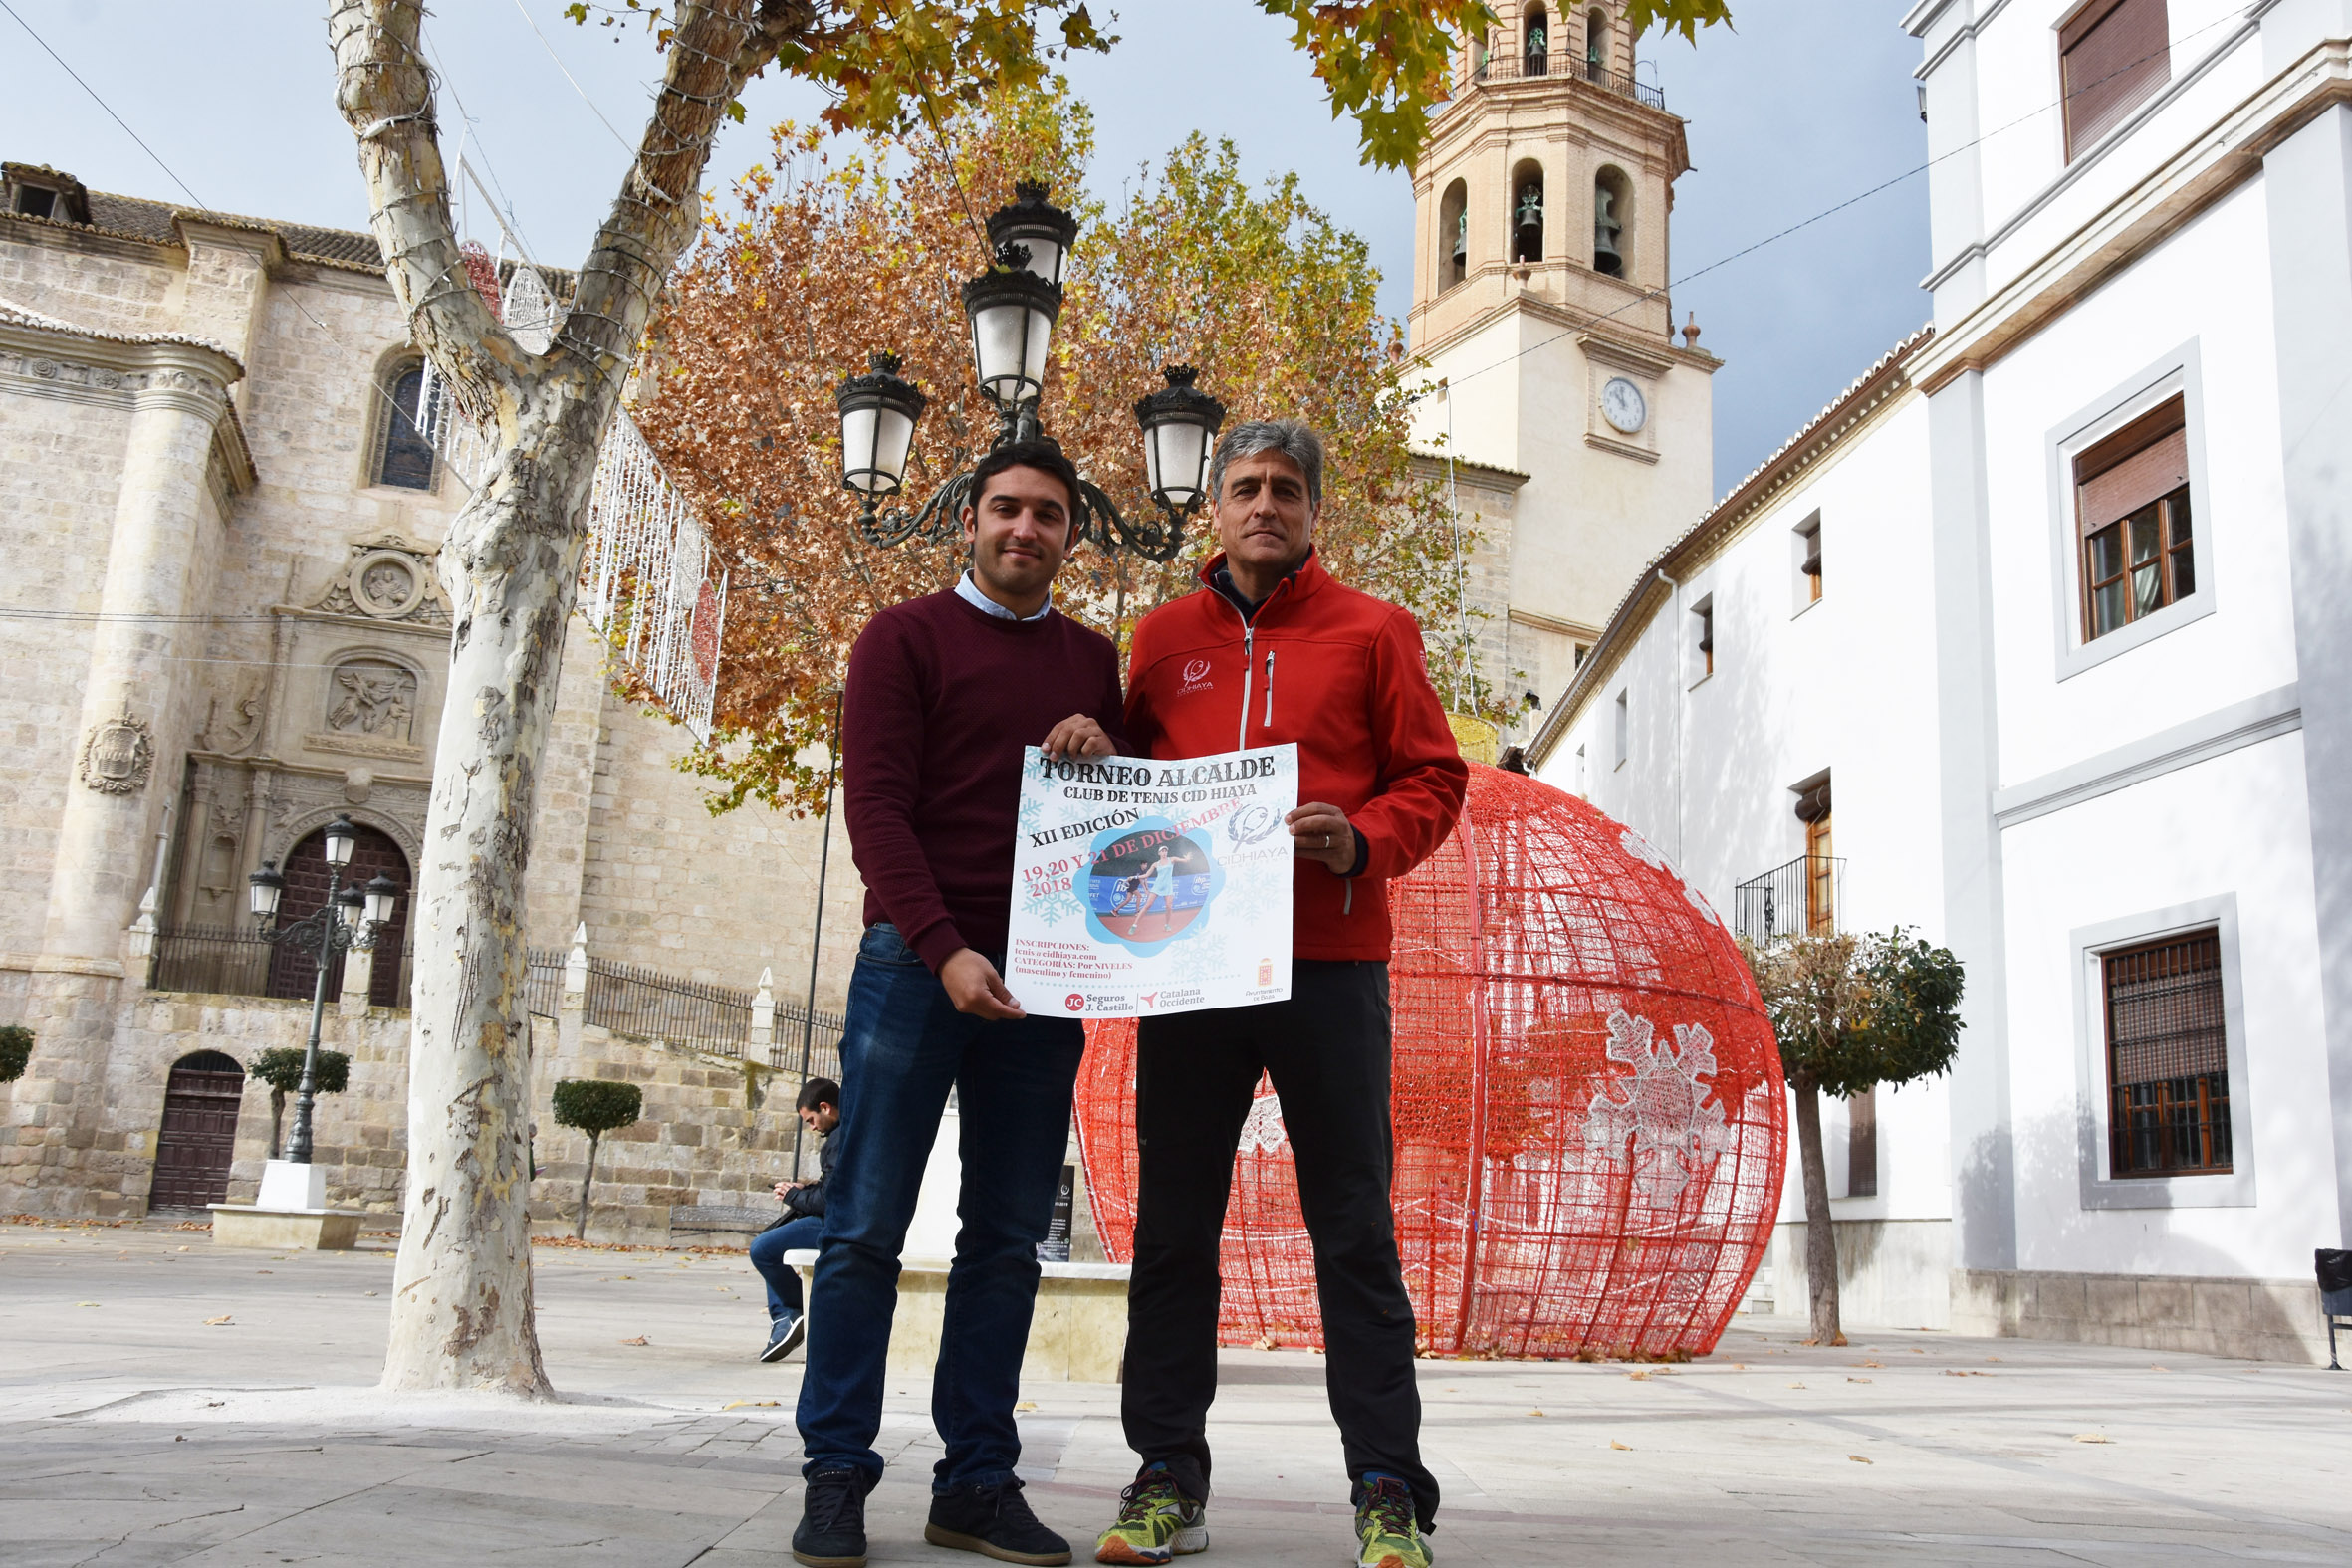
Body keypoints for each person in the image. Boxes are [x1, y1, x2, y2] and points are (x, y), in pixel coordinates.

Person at [1093, 420, 1467, 1568]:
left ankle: (1388, 1492)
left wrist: (1362, 841)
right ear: (1214, 508)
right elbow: (1128, 791)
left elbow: (1434, 777)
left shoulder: (1376, 630)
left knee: (1352, 1230)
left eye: (1286, 489)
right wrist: (1086, 753)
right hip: (1192, 973)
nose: (1265, 504)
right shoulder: (1160, 639)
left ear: (1313, 511)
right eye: (1246, 486)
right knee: (1172, 1232)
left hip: (1330, 967)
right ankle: (1165, 1478)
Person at [793, 438, 1124, 1568]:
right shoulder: (902, 638)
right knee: (862, 1229)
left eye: (1048, 514)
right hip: (912, 965)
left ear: (1070, 534)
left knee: (1006, 1243)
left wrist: (1106, 743)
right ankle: (835, 1473)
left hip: (1044, 979)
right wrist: (943, 950)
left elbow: (1121, 810)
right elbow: (877, 814)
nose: (1025, 528)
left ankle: (976, 1483)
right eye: (1006, 508)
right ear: (969, 520)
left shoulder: (1093, 659)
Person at [747, 1076, 840, 1363]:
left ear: (825, 1107)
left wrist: (793, 1196)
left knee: (763, 1249)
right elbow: (832, 1187)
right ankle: (787, 1316)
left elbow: (830, 1200)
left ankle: (791, 1313)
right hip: (840, 1218)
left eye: (811, 1120)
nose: (811, 1127)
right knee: (772, 1239)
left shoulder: (838, 1140)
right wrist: (803, 1189)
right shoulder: (843, 1133)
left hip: (837, 1223)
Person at [1131, 844, 1178, 936]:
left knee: (1169, 906)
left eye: (1166, 851)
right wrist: (1134, 877)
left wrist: (1187, 859)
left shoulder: (1172, 860)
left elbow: (1181, 859)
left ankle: (1167, 924)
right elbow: (1146, 875)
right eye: (1162, 851)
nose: (1164, 853)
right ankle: (1134, 925)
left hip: (1168, 887)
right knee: (1147, 905)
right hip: (1157, 887)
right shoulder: (1155, 864)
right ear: (1159, 853)